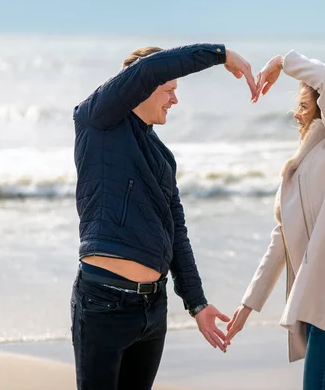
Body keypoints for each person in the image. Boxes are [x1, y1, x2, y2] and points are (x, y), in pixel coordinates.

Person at [70, 43, 256, 390]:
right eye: (168, 89)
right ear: (141, 87)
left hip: (153, 309)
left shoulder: (162, 157)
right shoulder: (97, 120)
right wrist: (221, 54)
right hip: (103, 303)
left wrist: (197, 303)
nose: (175, 100)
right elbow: (147, 70)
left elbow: (177, 234)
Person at [227, 50, 325, 390]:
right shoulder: (306, 165)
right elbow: (282, 238)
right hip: (318, 308)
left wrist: (281, 62)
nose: (296, 113)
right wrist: (248, 305)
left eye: (304, 106)